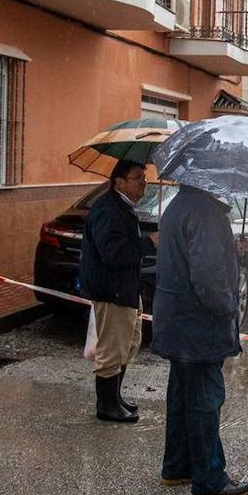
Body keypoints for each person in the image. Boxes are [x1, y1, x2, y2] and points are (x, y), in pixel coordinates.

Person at [152, 184, 248, 495]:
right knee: (206, 400)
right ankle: (210, 478)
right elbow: (207, 277)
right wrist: (228, 308)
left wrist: (233, 251)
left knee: (182, 397)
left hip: (179, 324)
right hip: (198, 328)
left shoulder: (179, 205)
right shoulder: (206, 212)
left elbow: (194, 258)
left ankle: (177, 466)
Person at [80, 159, 154, 424]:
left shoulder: (124, 207)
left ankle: (115, 397)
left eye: (145, 178)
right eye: (138, 178)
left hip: (125, 288)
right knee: (112, 349)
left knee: (128, 342)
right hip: (112, 291)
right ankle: (107, 405)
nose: (144, 183)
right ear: (119, 182)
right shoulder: (109, 210)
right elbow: (113, 253)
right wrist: (148, 243)